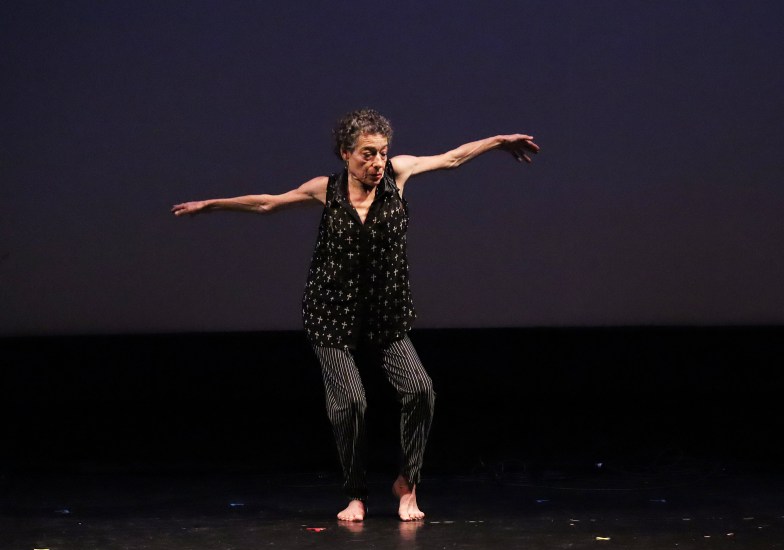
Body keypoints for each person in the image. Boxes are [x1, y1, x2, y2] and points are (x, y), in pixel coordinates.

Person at [172, 109, 539, 522]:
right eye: (368, 154)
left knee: (421, 391)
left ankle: (408, 483)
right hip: (331, 313)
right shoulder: (325, 189)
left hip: (385, 313)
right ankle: (355, 494)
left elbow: (452, 158)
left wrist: (498, 141)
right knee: (350, 402)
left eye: (382, 152)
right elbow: (267, 204)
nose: (378, 162)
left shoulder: (399, 174)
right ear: (346, 154)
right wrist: (211, 205)